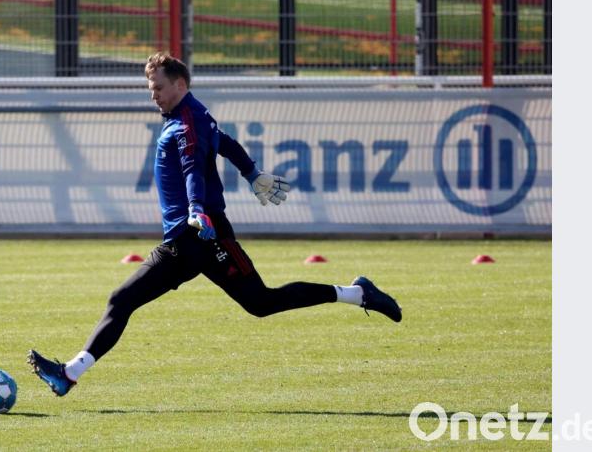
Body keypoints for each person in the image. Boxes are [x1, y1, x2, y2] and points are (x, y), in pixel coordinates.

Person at [28, 52, 402, 397]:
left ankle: (356, 293)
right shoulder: (192, 115)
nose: (153, 95)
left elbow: (193, 167)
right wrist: (251, 171)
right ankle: (69, 373)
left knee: (259, 303)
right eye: (150, 89)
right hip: (189, 239)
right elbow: (224, 143)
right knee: (132, 300)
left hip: (202, 235)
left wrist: (196, 207)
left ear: (180, 84)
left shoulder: (188, 122)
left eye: (158, 87)